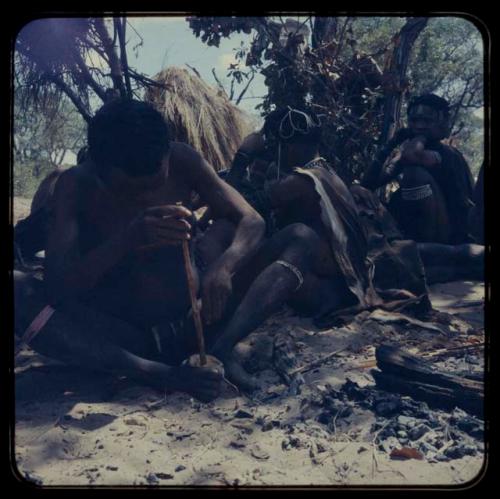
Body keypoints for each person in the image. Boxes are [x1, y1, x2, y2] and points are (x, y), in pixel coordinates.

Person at [14, 99, 266, 402]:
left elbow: (251, 219)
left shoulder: (184, 159)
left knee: (297, 239)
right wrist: (127, 239)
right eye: (132, 190)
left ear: (166, 154)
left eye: (155, 185)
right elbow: (57, 288)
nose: (146, 197)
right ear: (99, 168)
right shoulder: (75, 185)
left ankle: (218, 347)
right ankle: (161, 374)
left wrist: (225, 266)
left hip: (193, 323)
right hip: (119, 337)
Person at [361, 93, 475, 245]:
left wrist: (419, 138)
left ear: (442, 122)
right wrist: (389, 145)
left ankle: (421, 244)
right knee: (359, 194)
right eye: (414, 120)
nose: (419, 125)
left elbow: (412, 155)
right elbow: (368, 184)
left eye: (427, 121)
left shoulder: (447, 154)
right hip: (410, 227)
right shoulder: (409, 152)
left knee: (414, 175)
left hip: (447, 235)